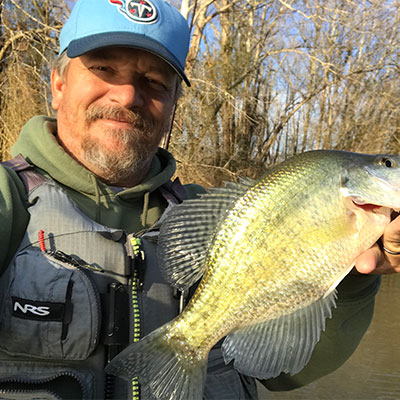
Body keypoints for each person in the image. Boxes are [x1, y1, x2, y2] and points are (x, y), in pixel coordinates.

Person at [0, 0, 398, 398]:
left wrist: (355, 278)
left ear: (173, 104)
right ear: (58, 84)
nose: (126, 96)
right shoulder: (9, 200)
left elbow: (284, 372)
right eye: (103, 69)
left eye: (154, 81)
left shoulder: (212, 215)